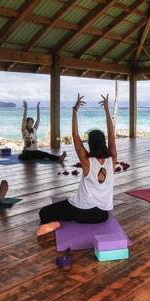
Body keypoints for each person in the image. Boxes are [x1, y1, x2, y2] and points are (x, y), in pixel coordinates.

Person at [37, 94, 117, 236]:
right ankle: (59, 221)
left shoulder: (87, 161)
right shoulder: (112, 160)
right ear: (103, 142)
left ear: (90, 144)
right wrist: (106, 109)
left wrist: (74, 111)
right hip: (102, 216)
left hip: (82, 212)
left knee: (44, 212)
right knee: (67, 208)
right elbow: (112, 135)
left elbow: (75, 136)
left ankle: (55, 223)